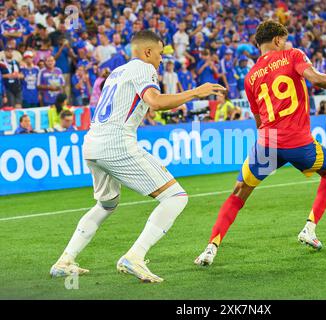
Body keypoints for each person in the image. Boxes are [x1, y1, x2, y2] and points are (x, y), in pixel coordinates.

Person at [50, 30, 225, 283]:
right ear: (148, 52)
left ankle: (64, 261)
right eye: (161, 54)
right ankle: (135, 256)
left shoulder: (116, 72)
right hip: (116, 143)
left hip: (92, 143)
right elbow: (154, 101)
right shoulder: (144, 68)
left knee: (106, 205)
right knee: (175, 197)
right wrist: (195, 92)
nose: (162, 59)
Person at [195, 20, 326, 266]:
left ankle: (210, 248)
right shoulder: (292, 55)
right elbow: (315, 78)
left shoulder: (250, 77)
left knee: (238, 193)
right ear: (278, 40)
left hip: (267, 141)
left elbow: (259, 120)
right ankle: (309, 229)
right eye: (285, 38)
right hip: (298, 141)